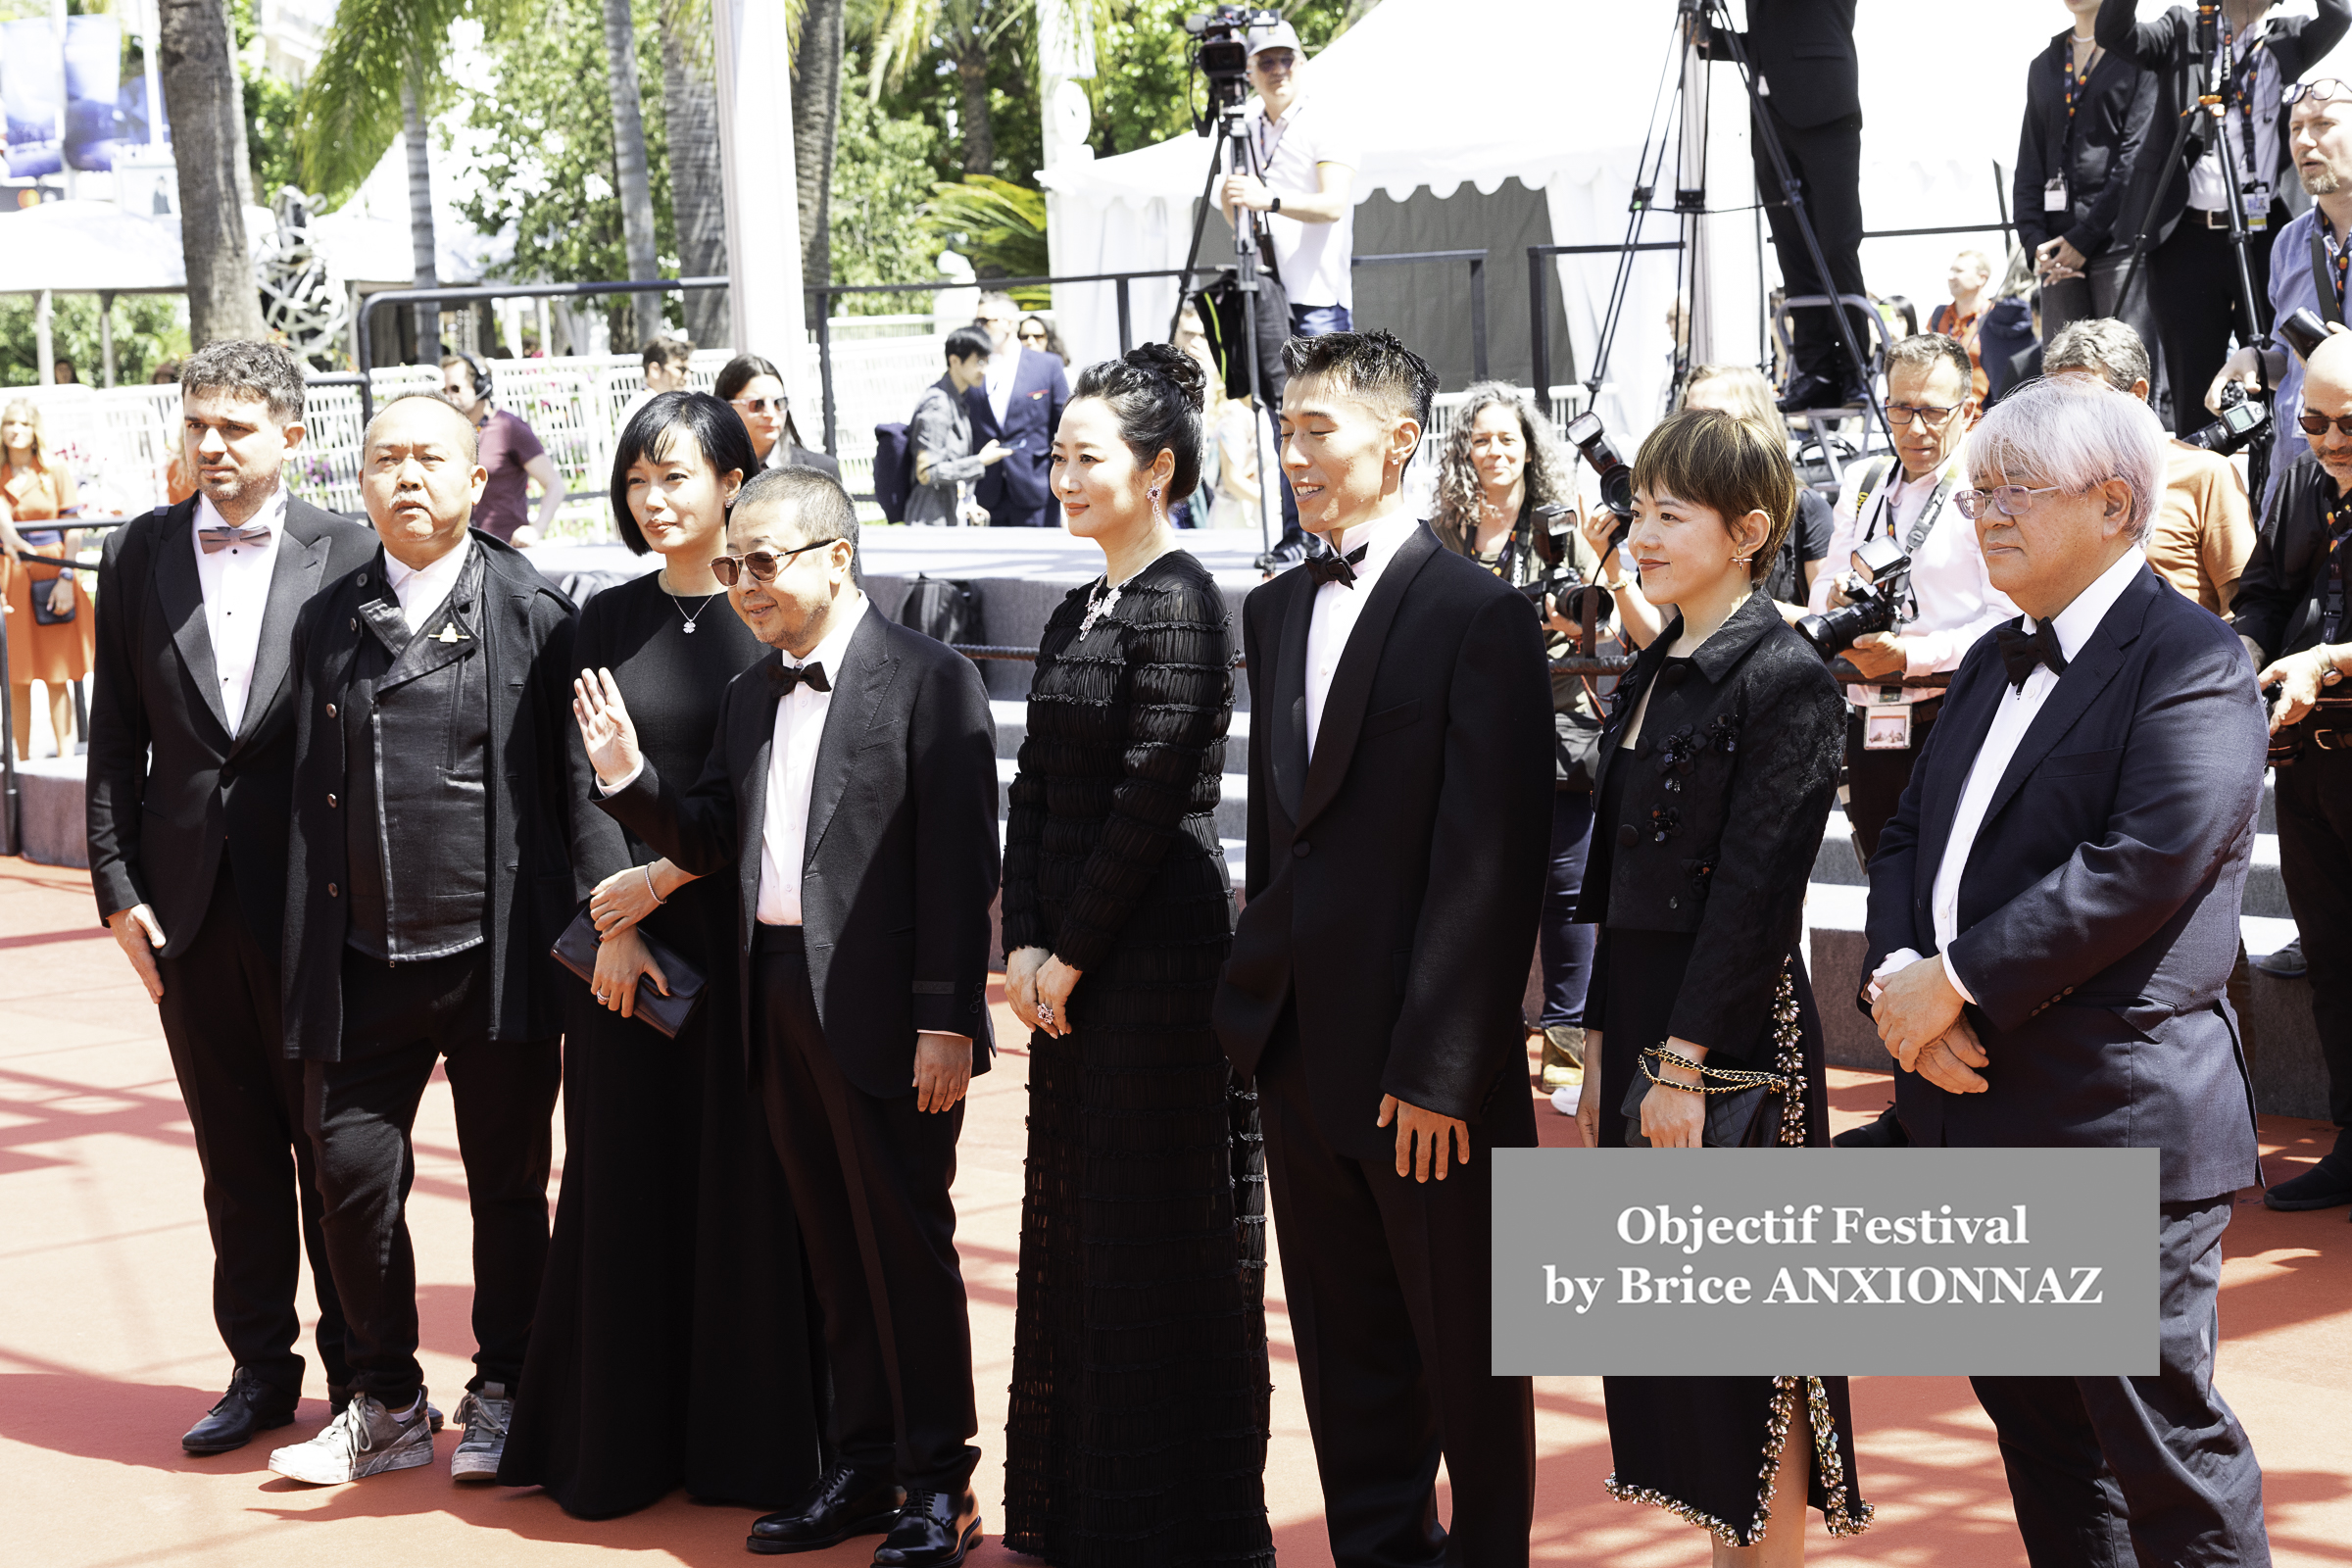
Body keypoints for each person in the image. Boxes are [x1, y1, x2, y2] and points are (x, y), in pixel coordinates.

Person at [1864, 373, 2271, 1565]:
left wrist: (1959, 980)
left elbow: (2144, 861)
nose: (1985, 513)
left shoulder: (2194, 658)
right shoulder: (1995, 657)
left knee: (2159, 1445)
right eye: (1979, 491)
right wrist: (1901, 979)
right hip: (1974, 1108)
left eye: (2014, 491)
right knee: (2042, 1441)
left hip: (2112, 1125)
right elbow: (1904, 832)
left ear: (2112, 504)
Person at [573, 466, 1000, 1567]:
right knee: (830, 1251)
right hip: (774, 995)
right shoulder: (751, 691)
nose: (744, 584)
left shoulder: (929, 676)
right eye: (733, 566)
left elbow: (960, 865)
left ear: (835, 556)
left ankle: (937, 1481)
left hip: (887, 1009)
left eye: (762, 562)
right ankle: (860, 1467)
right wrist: (627, 780)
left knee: (906, 1247)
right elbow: (712, 835)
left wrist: (947, 1018)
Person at [1211, 330, 1554, 1568]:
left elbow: (1492, 859)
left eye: (1321, 431)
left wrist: (1442, 1065)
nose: (1295, 454)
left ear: (1401, 441)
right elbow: (1289, 831)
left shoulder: (1480, 613)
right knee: (1348, 1359)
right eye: (1287, 430)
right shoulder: (1273, 604)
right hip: (1298, 1045)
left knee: (1466, 1357)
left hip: (1427, 1071)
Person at [495, 392, 826, 1517]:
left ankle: (752, 1448)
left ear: (736, 483)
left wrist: (665, 882)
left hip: (740, 952)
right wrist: (614, 928)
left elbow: (770, 800)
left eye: (677, 477)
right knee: (623, 1184)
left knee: (750, 1189)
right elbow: (572, 784)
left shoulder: (769, 619)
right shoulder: (598, 621)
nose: (654, 499)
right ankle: (620, 1445)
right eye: (639, 480)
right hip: (619, 965)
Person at [268, 392, 585, 1488]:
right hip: (361, 965)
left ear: (472, 476)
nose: (407, 477)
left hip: (494, 958)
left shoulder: (534, 605)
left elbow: (572, 787)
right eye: (385, 459)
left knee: (506, 1187)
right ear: (359, 480)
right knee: (351, 1182)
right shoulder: (327, 616)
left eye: (429, 459)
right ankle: (388, 1400)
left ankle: (504, 1388)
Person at [1570, 409, 1871, 1562]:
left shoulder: (1787, 678)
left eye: (1668, 513)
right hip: (1646, 1019)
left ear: (1749, 531)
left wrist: (1681, 1062)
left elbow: (1754, 894)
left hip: (1729, 1035)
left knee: (1752, 1341)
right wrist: (1606, 1046)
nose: (1637, 531)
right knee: (1670, 1342)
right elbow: (1614, 880)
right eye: (1638, 508)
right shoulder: (1660, 660)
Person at [998, 344, 1273, 1568]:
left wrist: (1073, 953)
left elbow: (1154, 792)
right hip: (1068, 957)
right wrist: (1020, 941)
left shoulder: (1183, 603)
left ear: (1158, 471)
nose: (1062, 474)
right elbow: (1038, 794)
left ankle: (1170, 1519)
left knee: (1158, 1229)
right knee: (1083, 1225)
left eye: (1086, 457)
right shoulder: (1079, 605)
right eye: (1055, 456)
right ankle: (1082, 1506)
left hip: (1156, 963)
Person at [83, 341, 376, 1455]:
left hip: (321, 906)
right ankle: (259, 1371)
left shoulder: (352, 554)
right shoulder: (140, 550)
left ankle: (366, 1378)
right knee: (234, 1159)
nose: (213, 445)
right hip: (186, 911)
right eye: (199, 424)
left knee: (337, 1155)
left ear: (291, 435)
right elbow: (117, 738)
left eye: (238, 427)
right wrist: (116, 886)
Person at [1430, 381, 1608, 1095]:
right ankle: (1480, 1040)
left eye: (1509, 438)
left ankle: (1566, 1045)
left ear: (1530, 448)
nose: (1496, 451)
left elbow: (1600, 625)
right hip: (1471, 728)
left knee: (1566, 890)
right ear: (1463, 451)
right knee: (1475, 886)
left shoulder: (1560, 523)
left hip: (1559, 721)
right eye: (1482, 439)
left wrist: (1567, 623)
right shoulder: (1445, 531)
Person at [1809, 335, 2017, 864]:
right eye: (1900, 410)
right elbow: (1822, 588)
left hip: (1954, 716)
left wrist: (1912, 657)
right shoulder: (1865, 479)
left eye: (1932, 411)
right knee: (1885, 889)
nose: (1916, 429)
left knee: (1954, 892)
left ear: (1967, 411)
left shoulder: (1987, 487)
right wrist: (1835, 598)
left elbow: (2010, 620)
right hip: (1869, 721)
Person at [2099, 0, 2352, 436]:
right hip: (2187, 233)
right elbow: (2114, 33)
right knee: (2195, 381)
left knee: (2274, 365)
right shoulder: (2183, 27)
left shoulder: (2287, 36)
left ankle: (2277, 477)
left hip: (2262, 231)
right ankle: (2205, 483)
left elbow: (2340, 14)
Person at [2231, 330, 2352, 1211]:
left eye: (2350, 422)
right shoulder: (2300, 477)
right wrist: (2243, 654)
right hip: (2308, 761)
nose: (2331, 439)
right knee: (2337, 961)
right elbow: (2265, 588)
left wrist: (2330, 661)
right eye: (2314, 419)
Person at [1218, 19, 1358, 570]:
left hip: (1319, 298)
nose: (1278, 71)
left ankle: (1336, 528)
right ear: (1249, 71)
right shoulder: (1245, 128)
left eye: (1287, 60)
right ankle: (1297, 532)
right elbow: (1234, 211)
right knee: (1285, 420)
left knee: (1326, 419)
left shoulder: (1327, 121)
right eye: (1266, 62)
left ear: (1302, 64)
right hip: (1271, 295)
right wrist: (1244, 204)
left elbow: (1332, 204)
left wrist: (1267, 199)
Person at [1701, 1, 1867, 412]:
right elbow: (1765, 41)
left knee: (1834, 245)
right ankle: (1816, 369)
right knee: (1791, 248)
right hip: (1770, 116)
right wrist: (1708, 37)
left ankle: (1854, 368)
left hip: (1826, 107)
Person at [2209, 79, 2352, 518]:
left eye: (2324, 124)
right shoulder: (2289, 242)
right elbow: (2290, 363)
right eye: (2295, 128)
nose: (2305, 140)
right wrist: (2251, 360)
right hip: (2296, 484)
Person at [2044, 317, 2257, 612]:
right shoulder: (2047, 487)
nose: (2069, 421)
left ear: (2137, 395)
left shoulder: (2205, 475)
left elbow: (2243, 610)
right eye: (2056, 405)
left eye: (2085, 405)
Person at [2014, 1, 2163, 366]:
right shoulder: (2045, 64)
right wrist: (2034, 241)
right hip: (2055, 250)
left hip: (2118, 243)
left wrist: (2084, 238)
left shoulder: (2140, 55)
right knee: (2064, 378)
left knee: (2123, 375)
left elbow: (2136, 155)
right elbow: (2030, 157)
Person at [1680, 364, 1835, 620]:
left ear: (1757, 422)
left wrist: (1736, 605)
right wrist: (1615, 572)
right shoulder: (1672, 507)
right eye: (1688, 416)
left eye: (1715, 416)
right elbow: (1657, 635)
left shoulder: (1804, 508)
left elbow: (1827, 623)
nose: (1696, 430)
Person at [0, 399, 92, 760]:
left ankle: (66, 759)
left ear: (34, 428)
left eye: (22, 423)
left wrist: (67, 577)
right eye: (9, 423)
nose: (15, 429)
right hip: (10, 574)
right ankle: (19, 764)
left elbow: (72, 528)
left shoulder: (55, 471)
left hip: (51, 571)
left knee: (57, 670)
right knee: (15, 673)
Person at [439, 352, 568, 547]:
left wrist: (537, 529)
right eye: (445, 390)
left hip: (504, 550)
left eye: (456, 388)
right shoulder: (448, 432)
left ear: (481, 386)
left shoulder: (509, 428)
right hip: (462, 549)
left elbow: (554, 484)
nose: (449, 396)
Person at [966, 293, 1070, 527]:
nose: (979, 327)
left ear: (1010, 322)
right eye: (977, 320)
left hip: (1034, 486)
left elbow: (1064, 423)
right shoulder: (973, 366)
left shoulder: (1047, 365)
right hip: (986, 493)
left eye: (986, 320)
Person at [907, 326, 1006, 526]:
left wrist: (968, 503)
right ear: (954, 361)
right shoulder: (938, 403)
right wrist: (979, 461)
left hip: (947, 513)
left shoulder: (957, 399)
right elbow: (926, 472)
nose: (984, 369)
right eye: (979, 361)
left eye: (986, 361)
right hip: (931, 519)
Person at [715, 352, 844, 480]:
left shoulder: (821, 472)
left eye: (779, 403)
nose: (771, 414)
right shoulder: (710, 471)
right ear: (726, 407)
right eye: (757, 404)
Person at [1930, 250, 1996, 402]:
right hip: (1944, 412)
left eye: (1958, 271)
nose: (1950, 276)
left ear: (1982, 278)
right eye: (1951, 270)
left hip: (1984, 416)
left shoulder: (1994, 317)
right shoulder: (1939, 316)